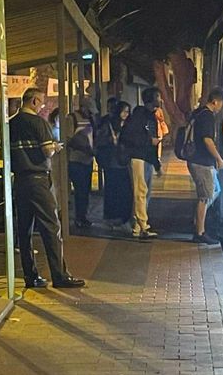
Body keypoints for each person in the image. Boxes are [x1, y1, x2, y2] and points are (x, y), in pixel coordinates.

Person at [10, 87, 85, 289]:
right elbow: (47, 151)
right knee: (51, 227)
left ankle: (30, 276)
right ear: (33, 101)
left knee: (24, 230)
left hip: (20, 181)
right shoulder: (38, 122)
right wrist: (55, 147)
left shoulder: (10, 123)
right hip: (38, 179)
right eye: (41, 101)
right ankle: (60, 276)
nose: (42, 105)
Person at [187, 88, 223, 246]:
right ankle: (200, 232)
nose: (221, 108)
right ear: (216, 101)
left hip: (202, 162)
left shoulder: (200, 113)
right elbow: (207, 140)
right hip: (201, 162)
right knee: (205, 197)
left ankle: (198, 222)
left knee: (214, 191)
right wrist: (219, 157)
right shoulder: (207, 116)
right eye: (221, 104)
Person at [120, 87, 163, 239]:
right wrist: (149, 141)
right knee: (140, 192)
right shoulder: (139, 115)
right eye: (158, 96)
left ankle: (137, 227)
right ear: (151, 98)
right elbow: (128, 136)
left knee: (144, 192)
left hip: (146, 158)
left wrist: (156, 164)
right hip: (137, 157)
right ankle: (143, 226)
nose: (160, 98)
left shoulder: (151, 117)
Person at [95, 100, 132, 226]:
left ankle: (123, 215)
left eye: (128, 112)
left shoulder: (128, 124)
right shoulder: (108, 123)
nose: (126, 114)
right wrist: (111, 140)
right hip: (112, 160)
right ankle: (112, 215)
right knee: (112, 188)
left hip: (123, 160)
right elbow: (100, 140)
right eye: (124, 111)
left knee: (124, 189)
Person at [66, 96, 97, 229]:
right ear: (83, 107)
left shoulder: (90, 119)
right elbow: (69, 139)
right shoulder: (71, 119)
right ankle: (79, 217)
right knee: (80, 191)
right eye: (89, 110)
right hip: (76, 160)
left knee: (85, 191)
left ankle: (83, 216)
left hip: (88, 160)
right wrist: (84, 148)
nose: (90, 113)